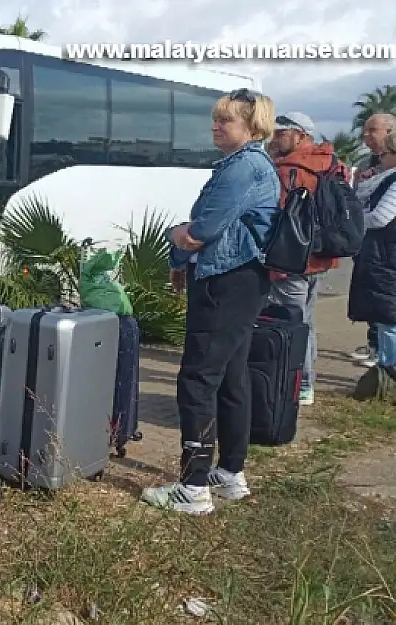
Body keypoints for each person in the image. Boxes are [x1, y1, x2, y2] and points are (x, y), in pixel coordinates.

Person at [141, 88, 279, 515]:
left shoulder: (243, 168)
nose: (215, 126)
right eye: (216, 119)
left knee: (198, 379)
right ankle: (229, 473)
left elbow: (202, 231)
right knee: (232, 377)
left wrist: (177, 235)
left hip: (225, 281)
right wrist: (185, 252)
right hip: (242, 280)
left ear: (252, 126)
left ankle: (193, 486)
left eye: (226, 121)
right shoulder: (255, 165)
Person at [265, 112, 350, 405]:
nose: (274, 138)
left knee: (291, 322)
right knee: (307, 321)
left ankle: (297, 384)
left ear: (300, 135)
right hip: (322, 256)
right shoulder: (331, 162)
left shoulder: (290, 168)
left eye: (281, 133)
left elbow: (276, 216)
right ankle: (306, 384)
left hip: (292, 259)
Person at [348, 130, 396, 397]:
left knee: (389, 319)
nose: (381, 160)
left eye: (385, 154)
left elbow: (381, 218)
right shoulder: (385, 179)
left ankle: (389, 377)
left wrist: (355, 220)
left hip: (388, 257)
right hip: (385, 256)